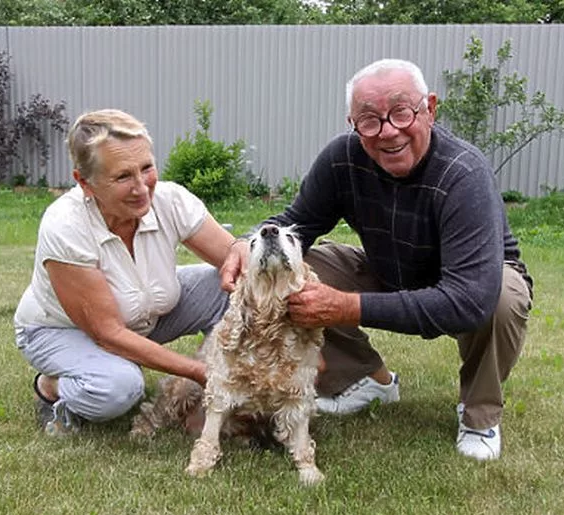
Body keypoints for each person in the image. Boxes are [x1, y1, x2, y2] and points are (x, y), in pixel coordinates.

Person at [221, 59, 533, 461]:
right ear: (352, 123)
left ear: (430, 108)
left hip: (473, 281)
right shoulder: (342, 158)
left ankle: (479, 413)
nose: (388, 132)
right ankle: (368, 379)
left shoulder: (464, 172)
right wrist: (246, 244)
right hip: (388, 270)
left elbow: (467, 299)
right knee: (295, 271)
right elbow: (294, 224)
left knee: (500, 297)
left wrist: (347, 306)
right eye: (369, 121)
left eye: (402, 113)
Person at [14, 109, 235, 436]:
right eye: (122, 177)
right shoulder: (65, 226)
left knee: (228, 287)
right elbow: (108, 333)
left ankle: (227, 386)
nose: (141, 188)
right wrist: (199, 371)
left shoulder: (170, 200)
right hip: (62, 330)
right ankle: (53, 387)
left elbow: (236, 260)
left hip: (144, 314)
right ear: (84, 183)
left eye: (146, 168)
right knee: (120, 388)